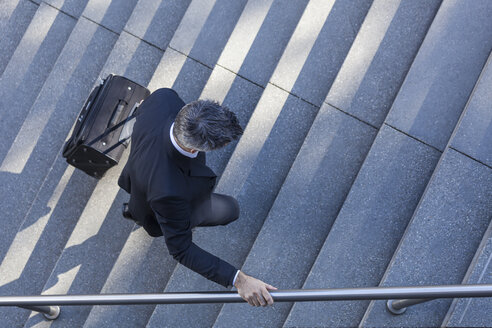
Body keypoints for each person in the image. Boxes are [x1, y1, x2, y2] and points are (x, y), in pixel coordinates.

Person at [118, 88, 277, 307]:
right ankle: (138, 213)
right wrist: (239, 279)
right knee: (230, 210)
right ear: (193, 146)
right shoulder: (168, 191)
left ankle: (134, 210)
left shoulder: (164, 97)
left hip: (138, 170)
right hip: (165, 198)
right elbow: (181, 249)